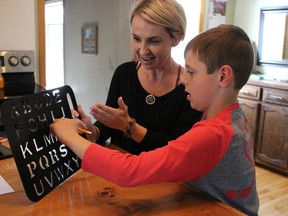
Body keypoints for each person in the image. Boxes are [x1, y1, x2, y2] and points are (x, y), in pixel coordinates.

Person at [50, 24, 259, 215]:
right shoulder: (234, 116)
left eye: (192, 73)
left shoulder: (213, 134)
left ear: (223, 76)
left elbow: (128, 171)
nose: (184, 80)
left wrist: (69, 135)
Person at [74, 0, 202, 155]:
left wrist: (129, 127)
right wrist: (91, 131)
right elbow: (109, 127)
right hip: (118, 173)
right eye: (136, 38)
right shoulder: (124, 73)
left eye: (153, 41)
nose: (142, 50)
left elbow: (178, 150)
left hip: (162, 179)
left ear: (176, 38)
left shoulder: (190, 88)